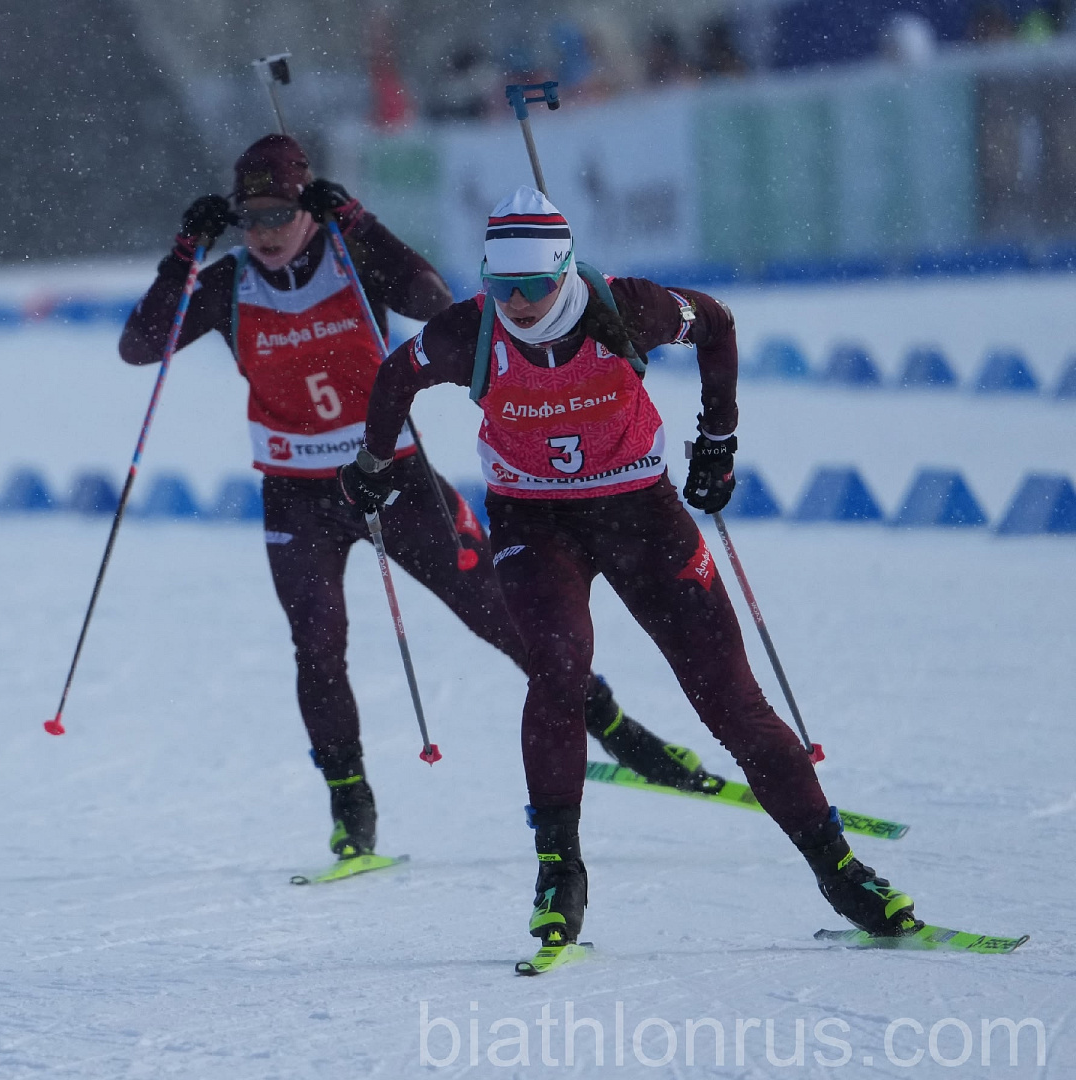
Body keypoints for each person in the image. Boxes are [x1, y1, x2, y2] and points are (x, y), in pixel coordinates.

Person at [120, 137, 726, 868]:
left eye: (283, 211)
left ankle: (624, 735)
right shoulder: (228, 284)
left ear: (310, 208)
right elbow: (140, 345)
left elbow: (432, 299)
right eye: (250, 218)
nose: (267, 231)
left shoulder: (352, 256)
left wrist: (359, 222)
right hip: (295, 494)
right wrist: (186, 248)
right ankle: (351, 807)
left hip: (393, 477)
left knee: (504, 621)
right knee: (317, 645)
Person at [338, 187, 921, 945]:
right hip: (534, 518)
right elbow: (395, 376)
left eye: (533, 286)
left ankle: (841, 872)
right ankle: (559, 874)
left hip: (640, 514)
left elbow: (716, 324)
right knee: (557, 668)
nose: (515, 303)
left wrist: (719, 440)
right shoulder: (470, 332)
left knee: (732, 701)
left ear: (566, 270)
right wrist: (373, 462)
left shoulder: (628, 310)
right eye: (500, 285)